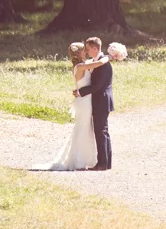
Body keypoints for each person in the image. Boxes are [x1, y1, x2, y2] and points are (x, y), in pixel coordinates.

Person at [36, 42, 110, 170]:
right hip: (84, 102)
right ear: (79, 53)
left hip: (85, 99)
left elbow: (93, 64)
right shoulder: (80, 66)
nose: (86, 52)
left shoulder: (81, 65)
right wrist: (109, 57)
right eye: (84, 50)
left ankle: (87, 158)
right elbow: (97, 63)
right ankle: (78, 159)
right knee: (83, 129)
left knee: (86, 128)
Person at [72, 37, 117, 171]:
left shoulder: (103, 63)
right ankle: (106, 163)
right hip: (98, 101)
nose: (86, 51)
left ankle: (102, 163)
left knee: (100, 131)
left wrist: (81, 92)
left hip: (101, 100)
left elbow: (98, 86)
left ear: (95, 49)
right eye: (85, 49)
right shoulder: (97, 62)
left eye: (88, 49)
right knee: (102, 131)